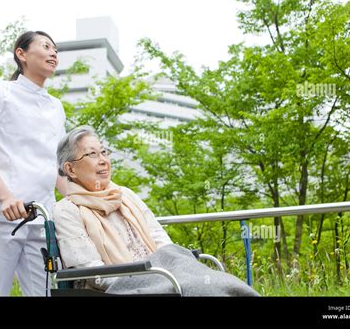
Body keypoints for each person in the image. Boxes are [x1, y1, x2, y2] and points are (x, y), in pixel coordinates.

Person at [53, 126, 259, 296]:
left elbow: (160, 239)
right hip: (127, 284)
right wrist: (152, 277)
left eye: (104, 152)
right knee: (201, 290)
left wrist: (174, 269)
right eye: (92, 154)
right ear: (70, 169)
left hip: (162, 271)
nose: (103, 160)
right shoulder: (67, 210)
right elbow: (92, 271)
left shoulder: (124, 195)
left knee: (223, 285)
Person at [0, 31, 67, 296]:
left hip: (42, 220)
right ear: (21, 54)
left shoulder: (56, 107)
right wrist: (5, 197)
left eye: (56, 49)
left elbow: (56, 167)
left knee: (43, 294)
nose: (53, 53)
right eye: (46, 46)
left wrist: (80, 203)